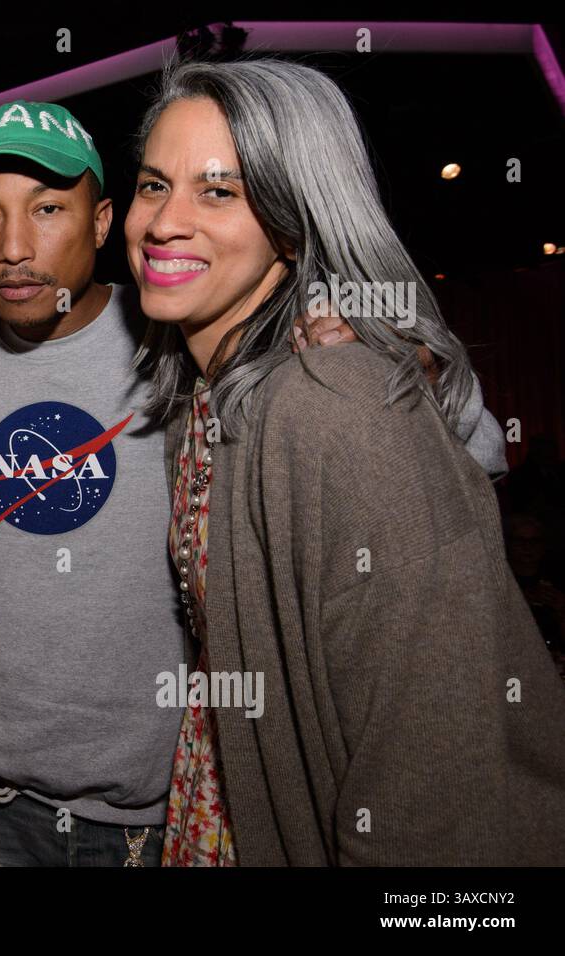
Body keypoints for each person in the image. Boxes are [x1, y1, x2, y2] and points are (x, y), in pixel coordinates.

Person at [0, 99, 507, 868]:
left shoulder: (173, 328)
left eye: (48, 208)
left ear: (101, 222)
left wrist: (404, 366)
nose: (15, 248)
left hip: (155, 807)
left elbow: (474, 446)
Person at [126, 57, 565, 864]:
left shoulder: (333, 401)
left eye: (219, 191)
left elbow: (436, 779)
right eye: (154, 185)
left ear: (294, 226)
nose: (165, 222)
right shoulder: (203, 401)